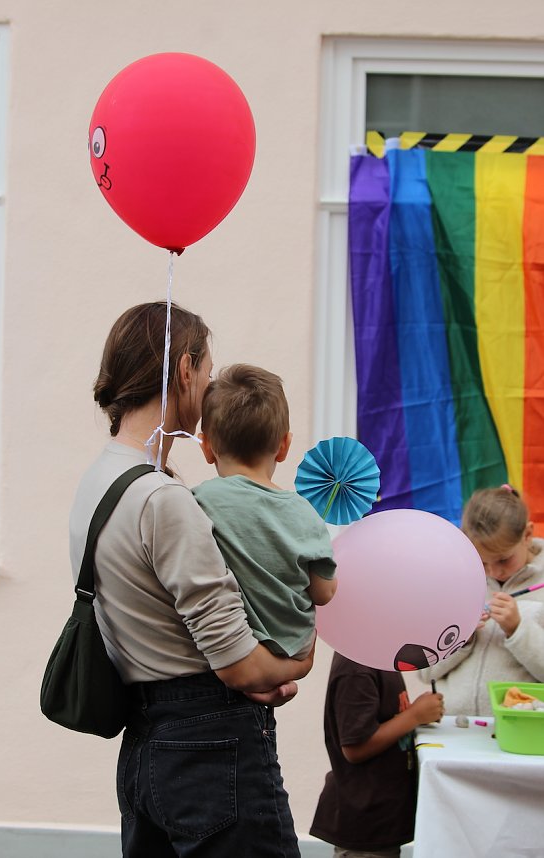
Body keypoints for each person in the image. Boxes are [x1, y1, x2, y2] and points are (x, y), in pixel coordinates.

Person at [69, 302, 316, 858]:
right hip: (212, 748)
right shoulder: (163, 498)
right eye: (206, 372)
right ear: (184, 369)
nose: (208, 388)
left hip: (146, 747)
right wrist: (301, 652)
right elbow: (239, 664)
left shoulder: (102, 478)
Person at [192, 363, 337, 659]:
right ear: (283, 446)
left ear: (206, 447)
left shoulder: (197, 502)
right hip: (292, 650)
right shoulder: (303, 513)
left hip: (227, 649)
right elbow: (323, 593)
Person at [420, 485, 544, 716]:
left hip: (520, 729)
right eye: (483, 562)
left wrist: (518, 630)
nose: (494, 572)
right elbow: (425, 672)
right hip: (453, 728)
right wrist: (460, 638)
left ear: (527, 535)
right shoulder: (458, 581)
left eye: (503, 560)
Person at [310, 653, 444, 858]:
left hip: (382, 816)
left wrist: (416, 715)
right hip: (365, 823)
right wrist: (414, 715)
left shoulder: (379, 657)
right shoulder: (356, 667)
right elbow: (356, 747)